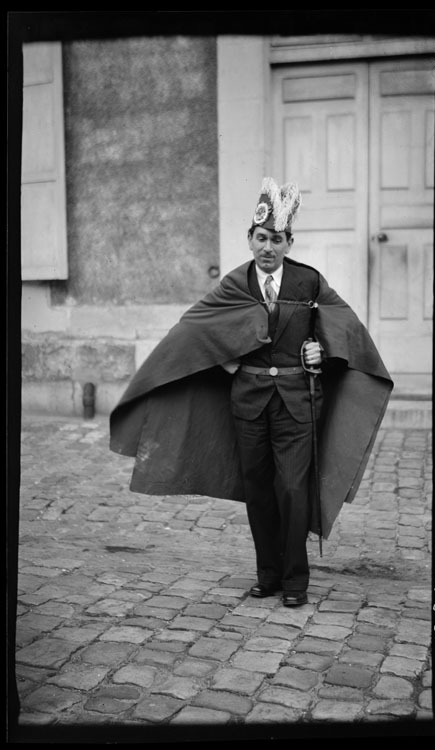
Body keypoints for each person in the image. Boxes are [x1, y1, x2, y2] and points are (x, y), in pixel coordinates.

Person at [110, 177, 393, 607]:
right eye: (261, 238)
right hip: (248, 402)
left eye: (276, 240)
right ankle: (268, 575)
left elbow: (344, 324)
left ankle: (296, 581)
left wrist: (323, 351)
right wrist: (225, 361)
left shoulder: (309, 283)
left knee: (294, 490)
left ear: (288, 242)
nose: (268, 248)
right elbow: (192, 328)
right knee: (259, 489)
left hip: (298, 404)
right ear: (249, 239)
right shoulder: (234, 284)